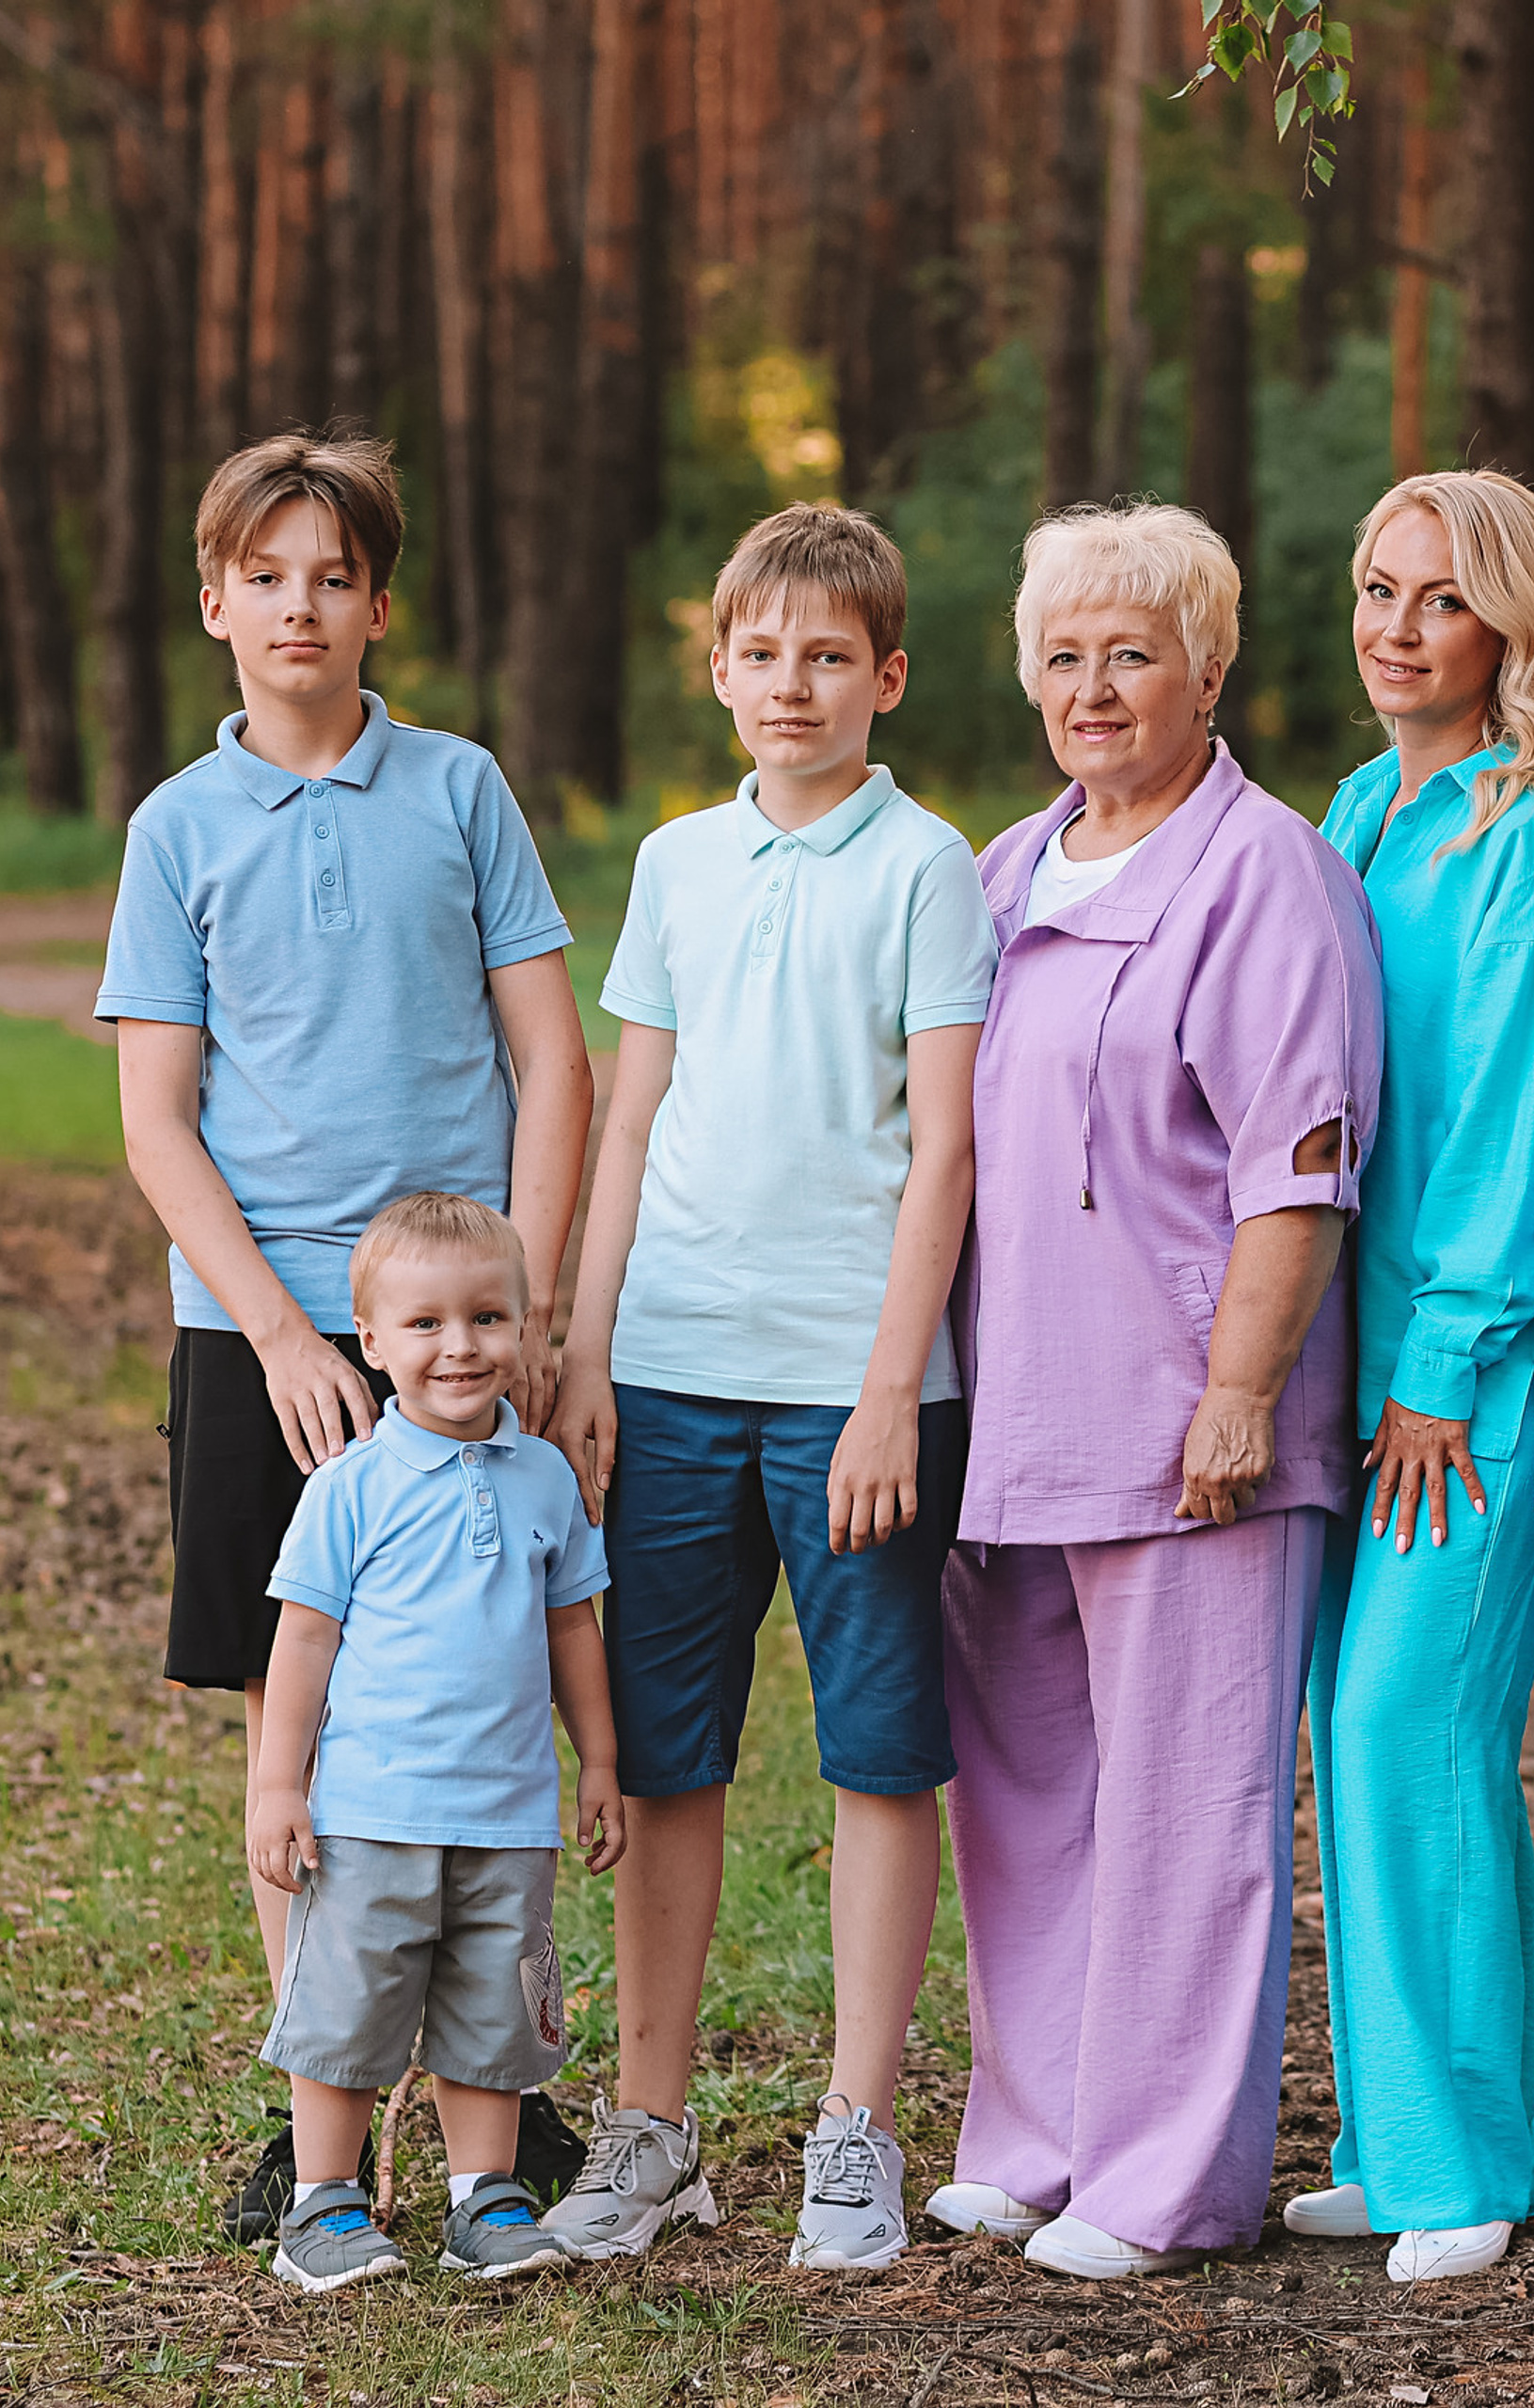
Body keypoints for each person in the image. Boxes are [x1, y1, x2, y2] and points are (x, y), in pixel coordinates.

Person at [97, 431, 595, 2241]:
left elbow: (553, 1057)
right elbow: (160, 1119)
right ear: (217, 600)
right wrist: (287, 1335)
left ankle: (500, 2119)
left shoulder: (457, 790)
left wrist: (522, 1305)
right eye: (268, 574)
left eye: (336, 576)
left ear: (379, 604)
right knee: (291, 1704)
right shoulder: (175, 827)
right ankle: (331, 2133)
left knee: (487, 1692)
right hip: (265, 1331)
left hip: (460, 1325)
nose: (301, 606)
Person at [931, 502, 1383, 2281]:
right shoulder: (1002, 870)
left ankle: (1166, 2181)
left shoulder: (1262, 871)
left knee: (1193, 1814)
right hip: (1017, 1416)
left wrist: (1244, 1387)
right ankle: (1035, 2134)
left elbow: (1300, 1157)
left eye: (1133, 651)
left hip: (1196, 1424)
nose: (1095, 687)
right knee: (1031, 1796)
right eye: (1063, 655)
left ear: (1209, 665)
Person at [541, 503, 994, 2272]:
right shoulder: (672, 863)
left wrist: (892, 1388)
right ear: (719, 668)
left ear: (884, 676)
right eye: (761, 653)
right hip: (669, 1371)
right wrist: (585, 1349)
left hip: (855, 1386)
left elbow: (946, 1147)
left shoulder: (927, 867)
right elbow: (630, 1116)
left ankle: (855, 2131)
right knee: (667, 1760)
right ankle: (652, 2132)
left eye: (829, 657)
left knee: (880, 1756)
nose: (791, 685)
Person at [1282, 472, 1534, 2285]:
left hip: (1463, 1374)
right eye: (1378, 589)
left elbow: (1508, 1114)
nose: (1396, 628)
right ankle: (1388, 2133)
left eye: (1439, 601)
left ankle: (1470, 2154)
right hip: (1345, 1355)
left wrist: (1442, 1359)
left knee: (1418, 1731)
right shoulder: (1359, 807)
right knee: (1349, 1730)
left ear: (1512, 627)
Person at [245, 1194, 620, 2291]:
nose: (461, 1346)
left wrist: (597, 1760)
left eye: (488, 1317)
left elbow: (571, 1629)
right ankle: (321, 2203)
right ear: (371, 1341)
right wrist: (279, 1782)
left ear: (524, 1327)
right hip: (370, 1813)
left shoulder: (546, 1478)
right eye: (425, 1324)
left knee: (491, 2008)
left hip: (507, 1816)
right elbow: (303, 1642)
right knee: (348, 2009)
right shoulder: (348, 1487)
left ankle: (485, 2198)